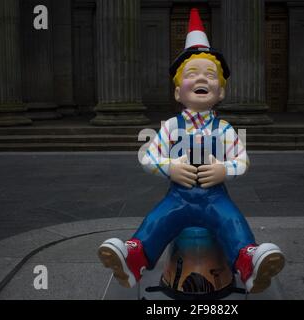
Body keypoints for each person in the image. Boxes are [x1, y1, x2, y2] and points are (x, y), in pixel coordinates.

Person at [98, 8, 285, 294]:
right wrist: (170, 167)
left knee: (232, 221)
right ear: (177, 92)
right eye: (192, 74)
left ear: (220, 91)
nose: (202, 79)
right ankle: (133, 258)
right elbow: (147, 157)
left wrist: (224, 169)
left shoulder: (224, 129)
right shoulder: (171, 126)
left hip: (214, 199)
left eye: (210, 75)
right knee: (157, 219)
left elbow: (242, 160)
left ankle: (248, 263)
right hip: (178, 198)